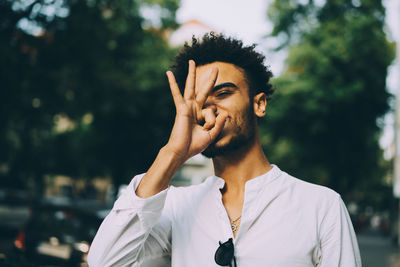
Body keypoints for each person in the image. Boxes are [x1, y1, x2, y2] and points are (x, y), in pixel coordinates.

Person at [88, 33, 361, 267]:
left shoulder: (321, 207)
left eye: (223, 93)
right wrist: (173, 153)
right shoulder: (176, 207)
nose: (209, 110)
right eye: (198, 103)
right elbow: (105, 261)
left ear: (259, 104)